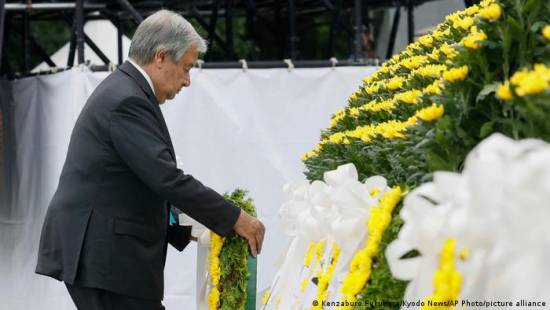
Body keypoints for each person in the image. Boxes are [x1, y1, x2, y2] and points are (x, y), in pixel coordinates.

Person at [35, 10, 265, 310]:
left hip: (103, 254)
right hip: (103, 256)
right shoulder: (127, 100)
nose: (187, 81)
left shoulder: (126, 91)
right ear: (160, 57)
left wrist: (185, 230)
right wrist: (235, 218)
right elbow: (166, 179)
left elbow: (138, 182)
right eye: (186, 68)